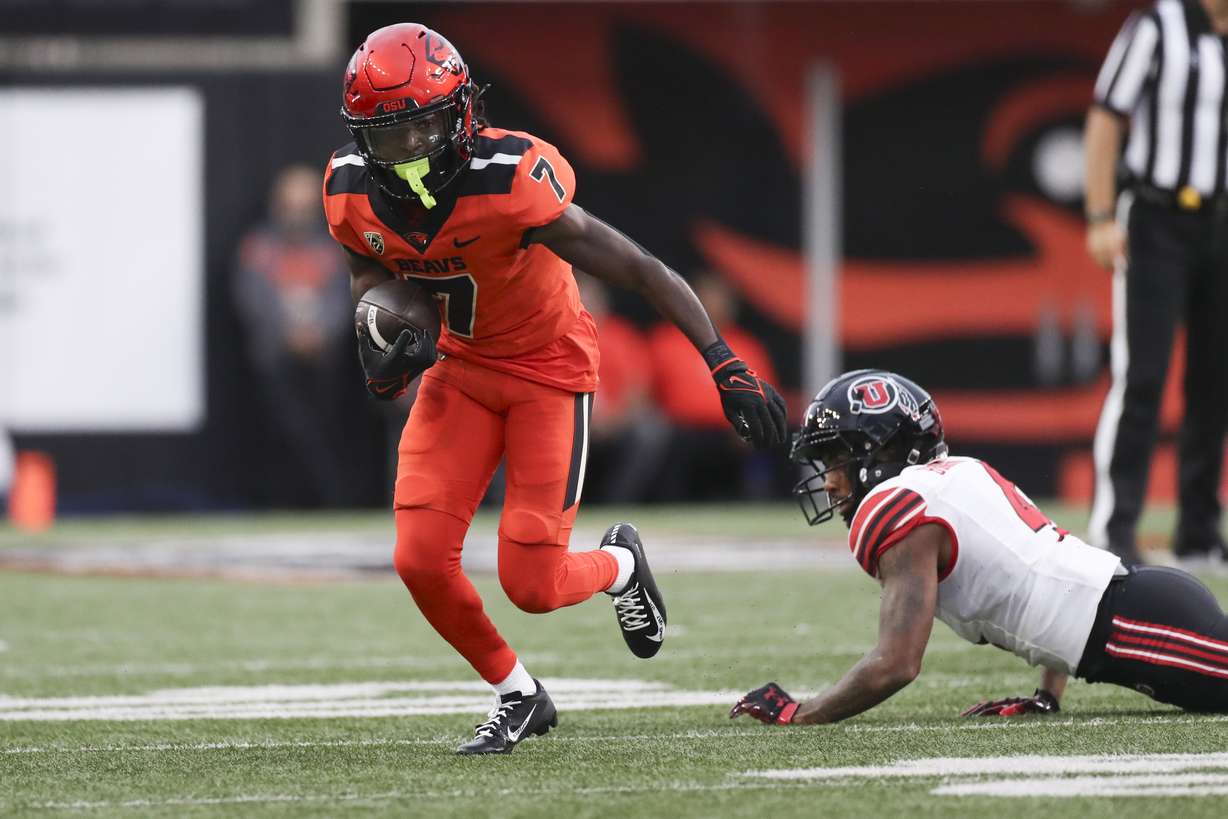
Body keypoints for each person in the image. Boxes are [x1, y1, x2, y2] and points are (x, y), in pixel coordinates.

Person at [323, 23, 787, 754]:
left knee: (532, 583)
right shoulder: (351, 190)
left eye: (423, 127)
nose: (410, 151)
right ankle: (517, 693)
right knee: (417, 557)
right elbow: (365, 271)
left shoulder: (510, 181)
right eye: (390, 137)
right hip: (461, 370)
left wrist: (723, 361)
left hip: (547, 369)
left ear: (461, 114)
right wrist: (383, 329)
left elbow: (639, 267)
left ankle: (622, 564)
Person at [730, 370, 1228, 727]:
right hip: (1136, 614)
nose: (831, 481)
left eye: (836, 457)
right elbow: (1057, 574)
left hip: (1135, 627)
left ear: (883, 452)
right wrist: (1047, 697)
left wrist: (803, 712)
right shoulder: (956, 475)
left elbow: (896, 662)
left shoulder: (898, 503)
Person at [1085, 0, 1228, 566]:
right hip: (1156, 218)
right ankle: (1114, 526)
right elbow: (1105, 116)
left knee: (1215, 381)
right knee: (1142, 375)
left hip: (1223, 221)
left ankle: (1198, 531)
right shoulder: (1156, 27)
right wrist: (1099, 216)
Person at [233, 164, 358, 507]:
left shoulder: (331, 249)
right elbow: (252, 298)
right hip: (274, 359)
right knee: (283, 433)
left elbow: (344, 296)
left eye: (305, 206)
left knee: (325, 433)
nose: (297, 216)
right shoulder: (260, 248)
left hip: (325, 360)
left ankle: (327, 503)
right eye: (291, 206)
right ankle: (278, 502)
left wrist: (321, 335)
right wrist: (286, 334)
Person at [648, 272, 782, 501]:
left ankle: (761, 501)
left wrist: (746, 425)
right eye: (707, 296)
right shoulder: (666, 340)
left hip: (730, 431)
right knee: (658, 437)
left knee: (773, 427)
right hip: (681, 433)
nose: (714, 303)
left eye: (721, 298)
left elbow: (762, 393)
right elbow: (648, 392)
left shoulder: (747, 345)